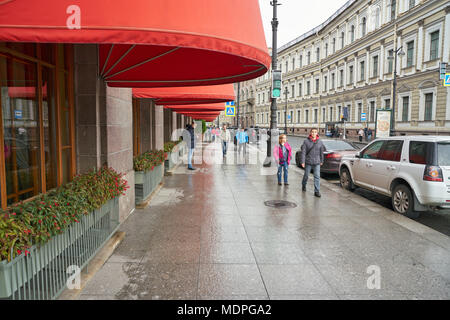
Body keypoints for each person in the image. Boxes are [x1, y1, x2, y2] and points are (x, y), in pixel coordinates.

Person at [300, 128, 325, 198]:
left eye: (315, 132)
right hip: (308, 161)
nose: (314, 133)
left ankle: (317, 191)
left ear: (317, 133)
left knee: (317, 176)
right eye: (312, 132)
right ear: (310, 133)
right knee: (306, 175)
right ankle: (304, 185)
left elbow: (321, 152)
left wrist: (322, 160)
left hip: (317, 161)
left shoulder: (320, 141)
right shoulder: (306, 141)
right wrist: (302, 161)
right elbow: (303, 152)